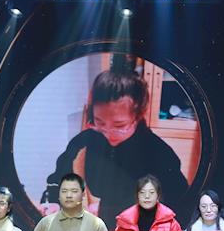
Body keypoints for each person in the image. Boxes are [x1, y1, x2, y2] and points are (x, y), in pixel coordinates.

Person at [42, 68, 189, 222]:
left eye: (119, 125)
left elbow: (179, 206)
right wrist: (52, 202)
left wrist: (106, 210)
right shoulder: (84, 141)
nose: (108, 132)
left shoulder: (159, 153)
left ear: (138, 116)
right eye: (99, 122)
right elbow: (58, 179)